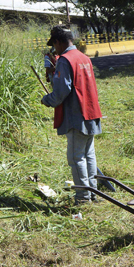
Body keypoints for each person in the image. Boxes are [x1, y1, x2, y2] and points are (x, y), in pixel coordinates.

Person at [40, 25, 102, 205]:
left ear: (59, 42)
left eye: (54, 45)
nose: (54, 49)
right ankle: (93, 193)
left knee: (76, 158)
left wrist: (47, 100)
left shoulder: (65, 60)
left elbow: (60, 92)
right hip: (91, 112)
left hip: (77, 115)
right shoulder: (84, 58)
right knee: (89, 155)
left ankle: (83, 198)